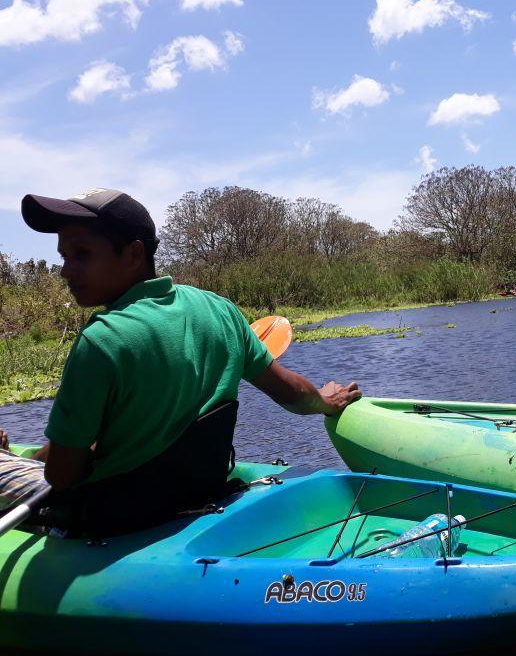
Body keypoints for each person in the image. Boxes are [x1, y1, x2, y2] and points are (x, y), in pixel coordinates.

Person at [0, 188, 362, 531]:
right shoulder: (219, 309)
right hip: (196, 493)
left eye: (82, 254)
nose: (65, 271)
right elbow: (290, 392)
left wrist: (29, 459)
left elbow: (62, 477)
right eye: (65, 256)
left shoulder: (101, 340)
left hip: (112, 515)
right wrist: (327, 402)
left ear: (133, 254)